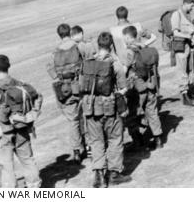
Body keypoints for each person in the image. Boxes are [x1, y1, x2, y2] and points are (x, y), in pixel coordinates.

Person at [0, 54, 42, 188]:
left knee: (6, 166)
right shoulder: (20, 84)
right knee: (28, 160)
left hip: (3, 133)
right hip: (21, 127)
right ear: (8, 67)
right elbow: (35, 98)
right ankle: (35, 187)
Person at [81, 32, 131, 187]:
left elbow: (82, 86)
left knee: (96, 141)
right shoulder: (115, 64)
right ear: (111, 46)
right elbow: (123, 88)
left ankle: (99, 176)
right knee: (115, 139)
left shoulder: (87, 63)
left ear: (97, 44)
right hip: (110, 107)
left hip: (91, 107)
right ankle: (114, 174)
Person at [47, 23, 86, 163]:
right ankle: (89, 146)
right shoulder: (78, 46)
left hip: (65, 89)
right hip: (81, 84)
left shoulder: (55, 52)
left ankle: (76, 150)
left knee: (73, 120)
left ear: (59, 35)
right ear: (69, 32)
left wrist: (62, 77)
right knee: (86, 116)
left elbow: (50, 70)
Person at [123, 25, 162, 150]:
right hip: (150, 83)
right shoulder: (144, 46)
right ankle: (158, 140)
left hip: (137, 88)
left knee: (131, 114)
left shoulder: (130, 51)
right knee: (152, 111)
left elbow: (124, 70)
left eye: (125, 38)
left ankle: (137, 141)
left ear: (129, 38)